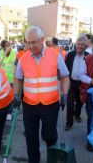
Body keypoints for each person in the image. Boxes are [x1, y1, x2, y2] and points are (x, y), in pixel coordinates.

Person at [14, 26, 70, 163]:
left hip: (50, 104)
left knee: (49, 136)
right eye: (28, 42)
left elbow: (65, 76)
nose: (30, 46)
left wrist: (64, 94)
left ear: (42, 40)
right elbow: (17, 78)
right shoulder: (23, 58)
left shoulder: (55, 55)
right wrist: (15, 95)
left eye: (34, 42)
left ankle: (52, 159)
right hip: (29, 105)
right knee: (31, 138)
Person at [64, 36, 89, 131]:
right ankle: (69, 123)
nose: (79, 46)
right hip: (71, 82)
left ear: (85, 46)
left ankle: (77, 114)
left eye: (82, 45)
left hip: (82, 84)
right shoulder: (70, 55)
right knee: (70, 104)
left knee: (80, 102)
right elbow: (65, 69)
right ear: (76, 45)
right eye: (78, 44)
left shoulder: (88, 56)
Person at [0, 40, 17, 120]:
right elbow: (1, 61)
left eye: (6, 47)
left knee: (10, 96)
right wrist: (5, 53)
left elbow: (13, 62)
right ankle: (3, 110)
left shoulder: (14, 53)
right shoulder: (0, 52)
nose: (5, 48)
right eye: (3, 47)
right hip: (3, 78)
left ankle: (9, 112)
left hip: (11, 78)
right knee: (3, 95)